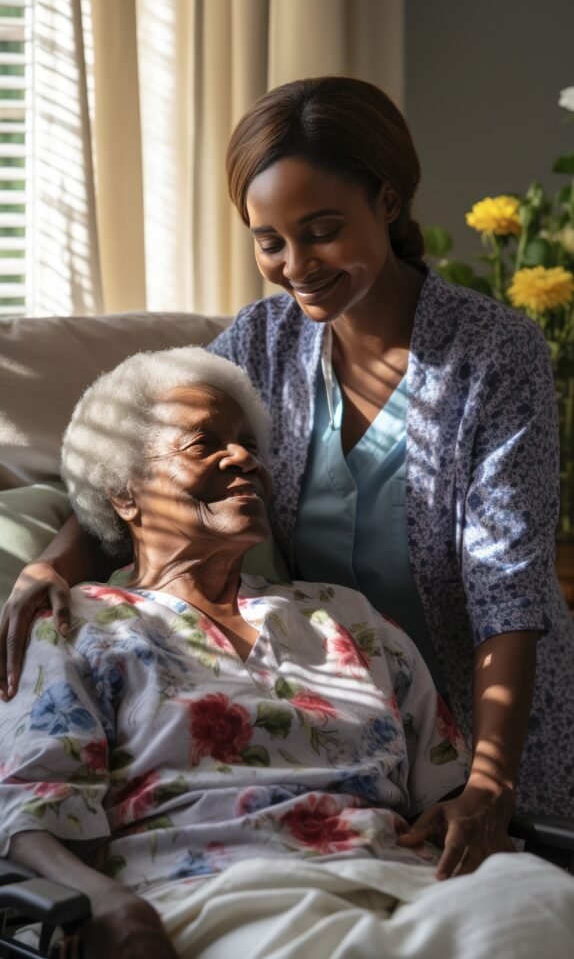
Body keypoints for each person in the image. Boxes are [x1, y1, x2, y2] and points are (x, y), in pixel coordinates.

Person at [2, 77, 574, 865]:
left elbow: (508, 592)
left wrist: (488, 785)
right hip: (346, 730)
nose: (296, 265)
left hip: (488, 740)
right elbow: (145, 457)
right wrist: (50, 565)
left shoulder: (494, 355)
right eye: (270, 241)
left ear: (389, 199)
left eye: (323, 231)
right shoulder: (262, 343)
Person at [0, 346, 480, 957]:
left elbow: (447, 788)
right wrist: (112, 906)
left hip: (409, 882)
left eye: (250, 444)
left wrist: (460, 814)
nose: (246, 458)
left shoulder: (347, 615)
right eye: (204, 444)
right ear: (125, 494)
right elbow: (29, 817)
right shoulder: (79, 626)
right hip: (210, 893)